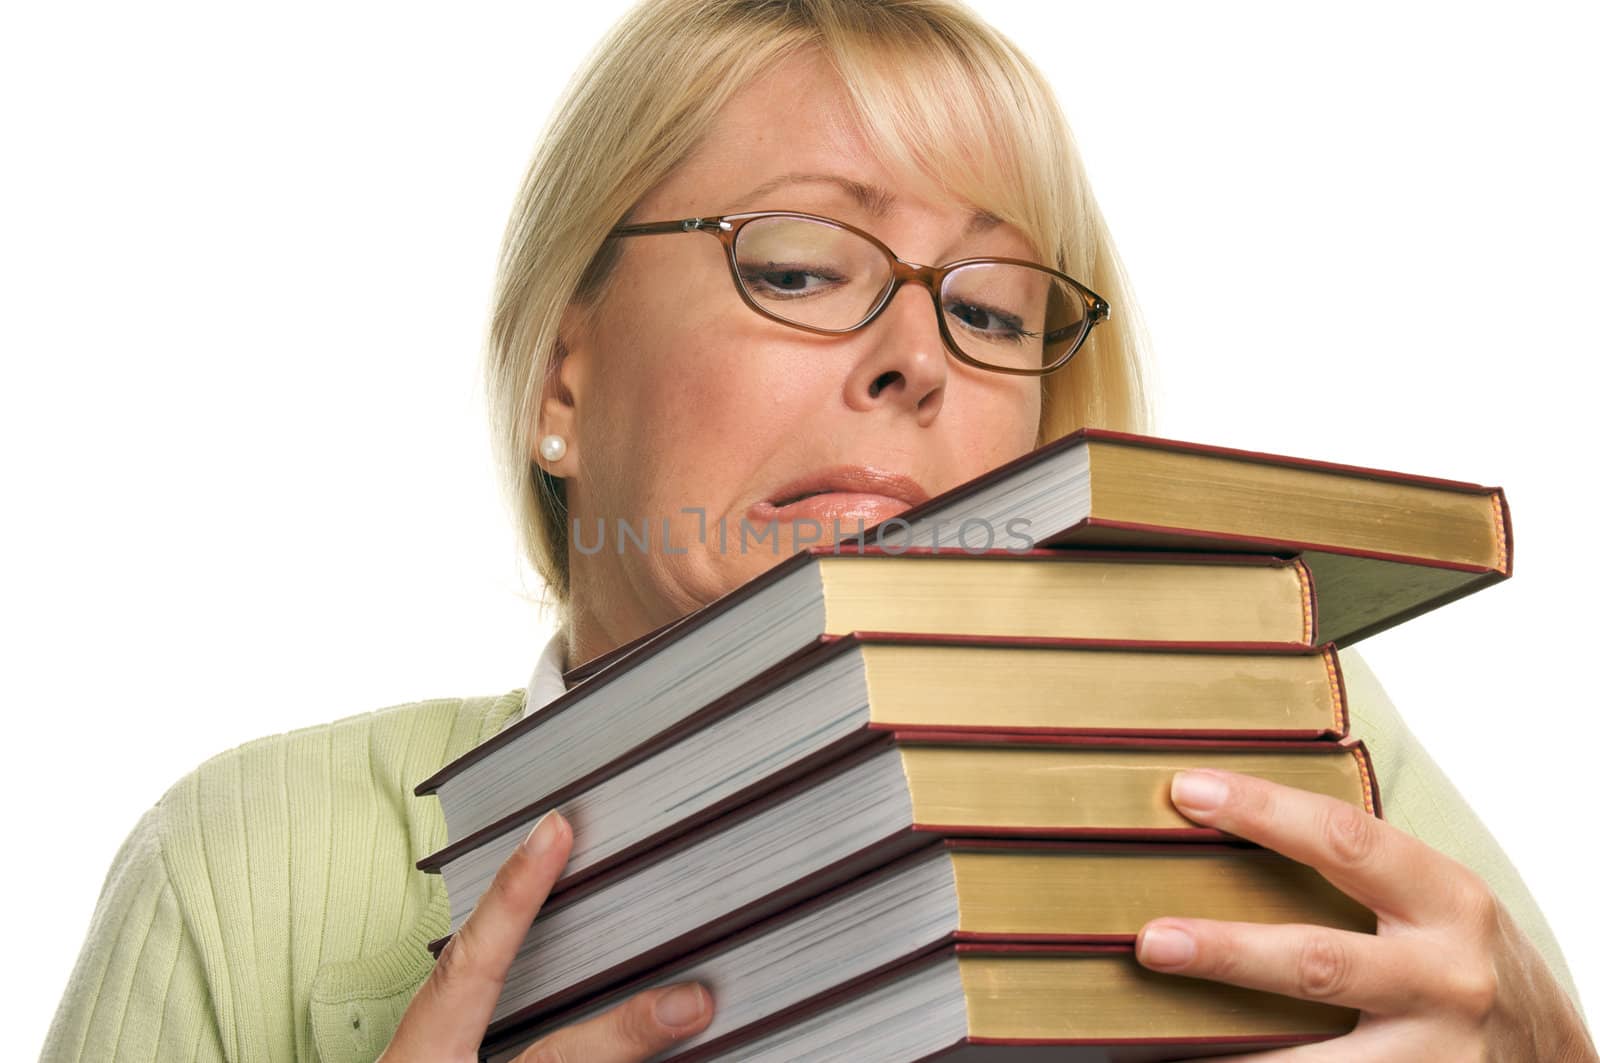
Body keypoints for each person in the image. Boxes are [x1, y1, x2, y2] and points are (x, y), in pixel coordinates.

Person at [41, 1, 1595, 1061]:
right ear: (563, 379)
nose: (917, 357)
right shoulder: (243, 871)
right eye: (795, 269)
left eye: (990, 307)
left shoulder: (1287, 737)